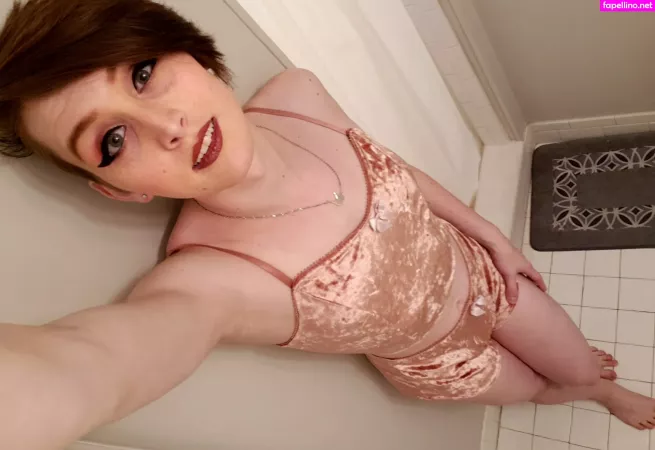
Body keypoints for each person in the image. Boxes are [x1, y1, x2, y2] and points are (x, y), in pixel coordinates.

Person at [1, 0, 653, 448]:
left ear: (192, 54)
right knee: (542, 388)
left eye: (143, 73)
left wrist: (495, 239)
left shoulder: (298, 93)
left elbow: (395, 167)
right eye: (112, 140)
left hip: (483, 275)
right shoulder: (210, 279)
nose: (167, 127)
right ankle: (596, 398)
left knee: (578, 368)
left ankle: (598, 390)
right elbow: (94, 363)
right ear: (120, 190)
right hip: (441, 361)